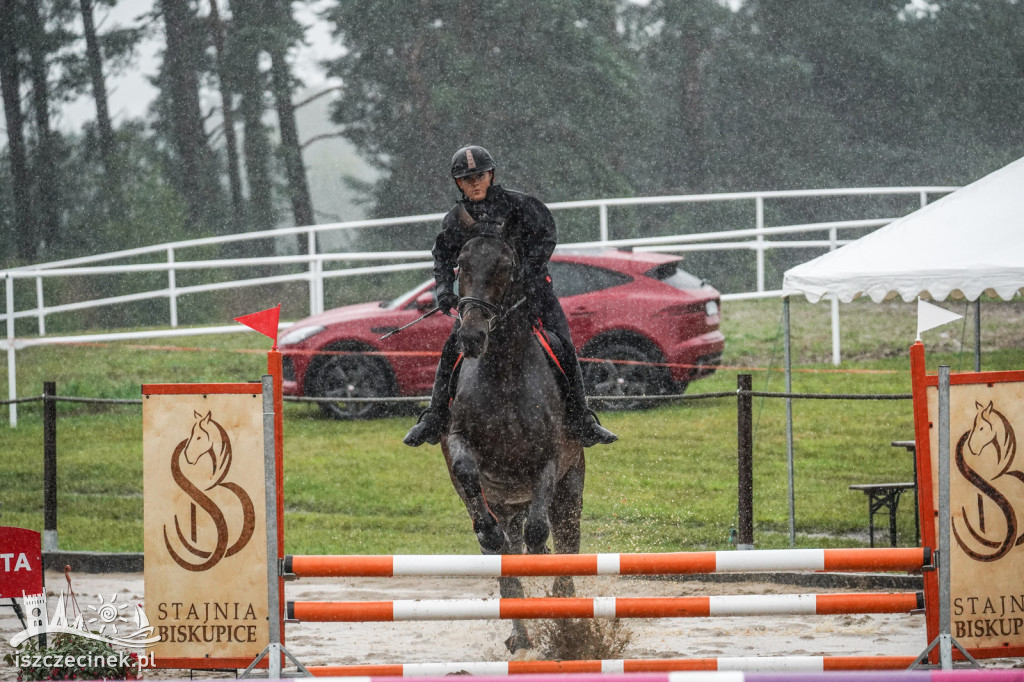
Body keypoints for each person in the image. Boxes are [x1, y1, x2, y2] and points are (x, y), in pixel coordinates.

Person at [403, 145, 618, 448]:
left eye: (479, 175)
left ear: (490, 174)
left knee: (565, 349)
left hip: (532, 297)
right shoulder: (454, 221)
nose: (474, 182)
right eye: (466, 178)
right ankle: (433, 418)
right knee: (452, 348)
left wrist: (526, 276)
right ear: (458, 184)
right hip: (482, 306)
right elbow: (443, 259)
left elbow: (546, 238)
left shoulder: (521, 206)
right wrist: (443, 290)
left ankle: (582, 419)